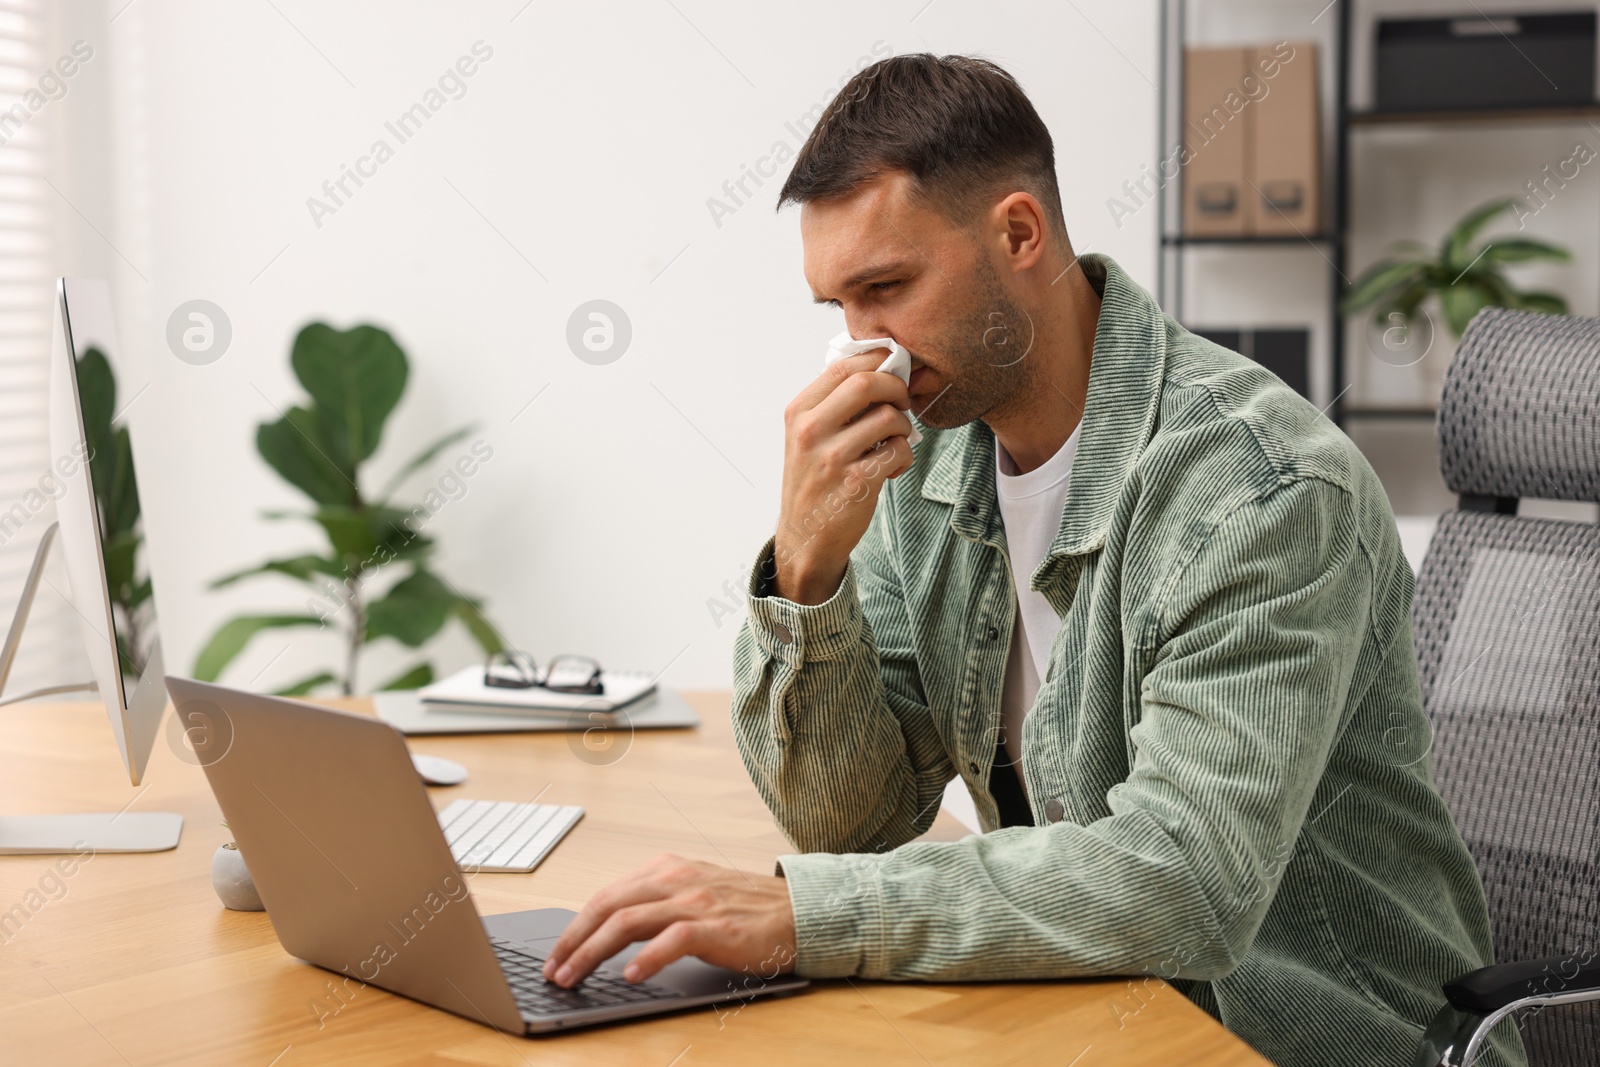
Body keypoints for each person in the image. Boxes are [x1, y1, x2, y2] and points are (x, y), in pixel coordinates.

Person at [540, 53, 1525, 1067]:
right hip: (1094, 1015)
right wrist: (807, 568)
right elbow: (855, 821)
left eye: (887, 288)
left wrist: (808, 913)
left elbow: (1183, 882)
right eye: (837, 306)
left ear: (1018, 233)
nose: (860, 352)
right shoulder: (928, 465)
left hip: (1299, 1041)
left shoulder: (1258, 491)